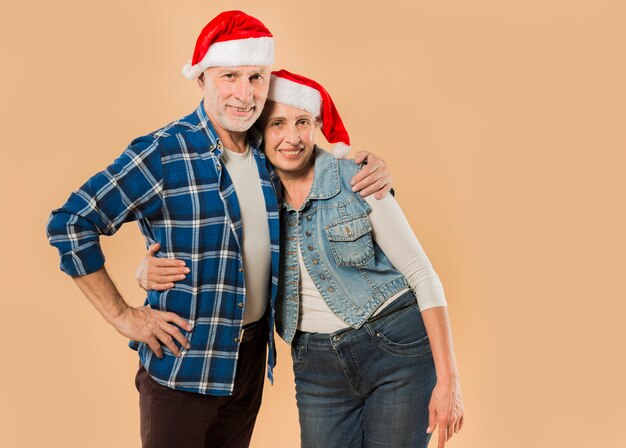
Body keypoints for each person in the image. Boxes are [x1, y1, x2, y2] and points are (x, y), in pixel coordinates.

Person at [46, 11, 392, 448]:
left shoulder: (272, 152)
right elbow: (70, 222)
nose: (244, 94)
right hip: (184, 366)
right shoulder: (164, 152)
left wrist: (373, 165)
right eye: (230, 75)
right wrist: (123, 315)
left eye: (256, 77)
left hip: (247, 362)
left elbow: (330, 177)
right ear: (202, 79)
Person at [139, 69, 465, 448]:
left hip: (394, 350)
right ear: (260, 133)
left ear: (316, 126)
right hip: (317, 367)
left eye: (303, 122)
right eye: (277, 123)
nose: (291, 138)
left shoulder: (356, 179)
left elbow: (423, 275)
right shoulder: (256, 193)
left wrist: (449, 381)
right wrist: (145, 271)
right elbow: (217, 252)